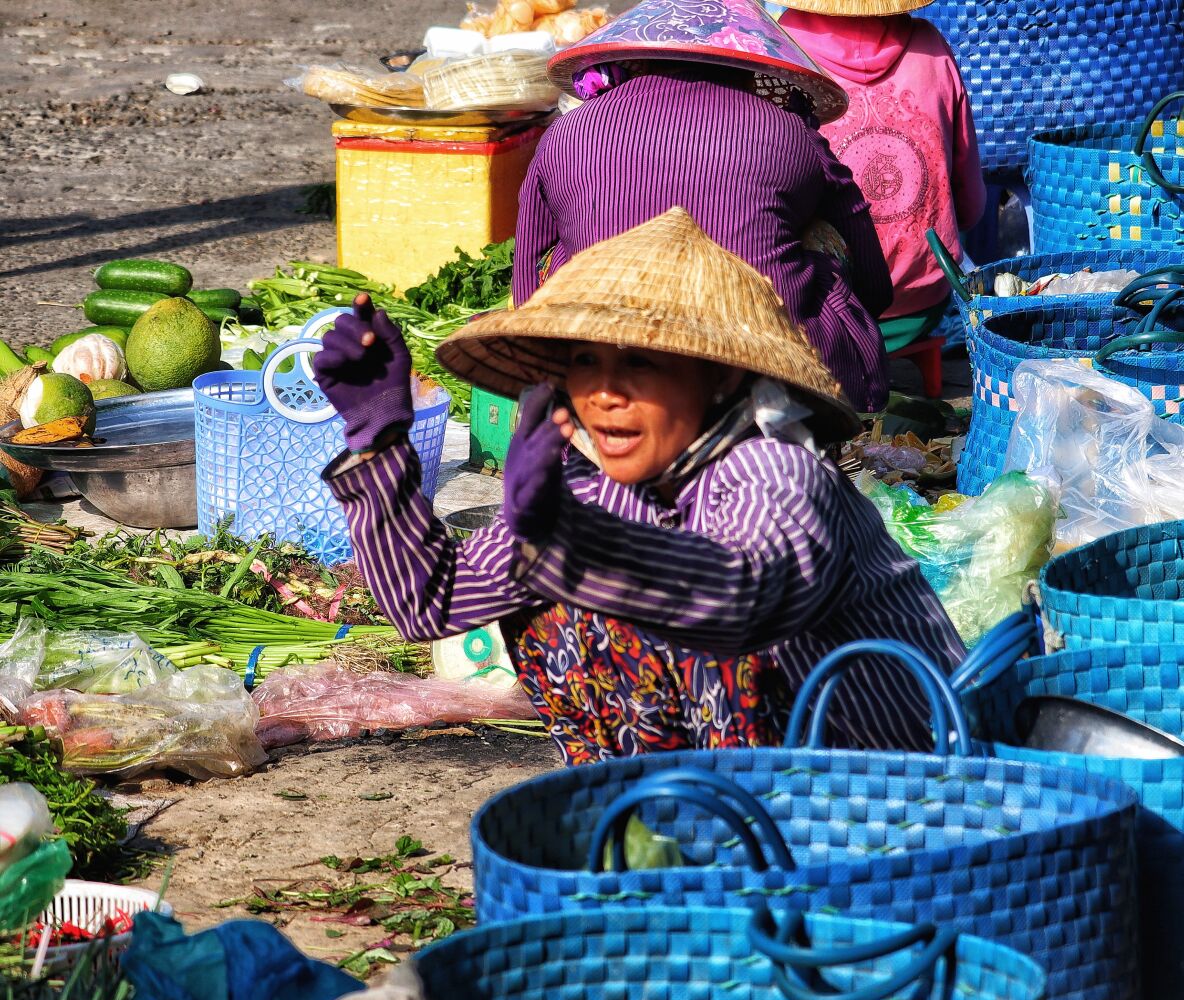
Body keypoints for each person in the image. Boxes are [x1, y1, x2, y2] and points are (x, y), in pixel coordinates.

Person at [315, 208, 963, 765]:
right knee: (550, 598)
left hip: (898, 787)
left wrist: (564, 538)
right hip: (757, 791)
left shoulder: (778, 473)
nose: (604, 394)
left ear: (720, 380)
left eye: (641, 364)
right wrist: (378, 436)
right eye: (586, 364)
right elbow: (432, 600)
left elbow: (739, 602)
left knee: (582, 596)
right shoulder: (599, 489)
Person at [512, 0, 894, 411]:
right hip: (767, 369)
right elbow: (872, 281)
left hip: (604, 371)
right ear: (752, 65)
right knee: (822, 235)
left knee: (563, 258)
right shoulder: (790, 131)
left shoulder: (566, 131)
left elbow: (525, 283)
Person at [777, 0, 984, 352]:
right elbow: (971, 204)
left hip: (825, 305)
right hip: (926, 295)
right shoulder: (931, 45)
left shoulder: (783, 45)